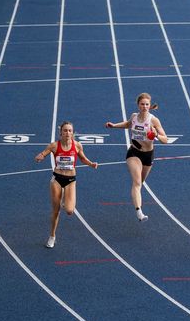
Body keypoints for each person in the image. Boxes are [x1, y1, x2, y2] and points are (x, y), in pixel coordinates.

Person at [105, 93, 168, 221]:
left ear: (150, 106)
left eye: (147, 104)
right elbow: (128, 124)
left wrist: (156, 135)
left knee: (140, 183)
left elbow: (165, 140)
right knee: (137, 182)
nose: (144, 106)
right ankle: (139, 212)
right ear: (138, 105)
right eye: (142, 104)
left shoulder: (153, 120)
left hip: (148, 155)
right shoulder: (134, 116)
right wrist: (114, 125)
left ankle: (138, 205)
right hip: (134, 152)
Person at [35, 121, 98, 248]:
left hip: (70, 180)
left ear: (73, 133)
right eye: (65, 130)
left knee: (69, 211)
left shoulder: (78, 145)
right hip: (57, 178)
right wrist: (40, 156)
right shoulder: (54, 146)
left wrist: (91, 164)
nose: (68, 133)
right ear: (61, 133)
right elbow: (44, 153)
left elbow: (83, 158)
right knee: (56, 210)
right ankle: (52, 236)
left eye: (70, 131)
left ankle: (65, 198)